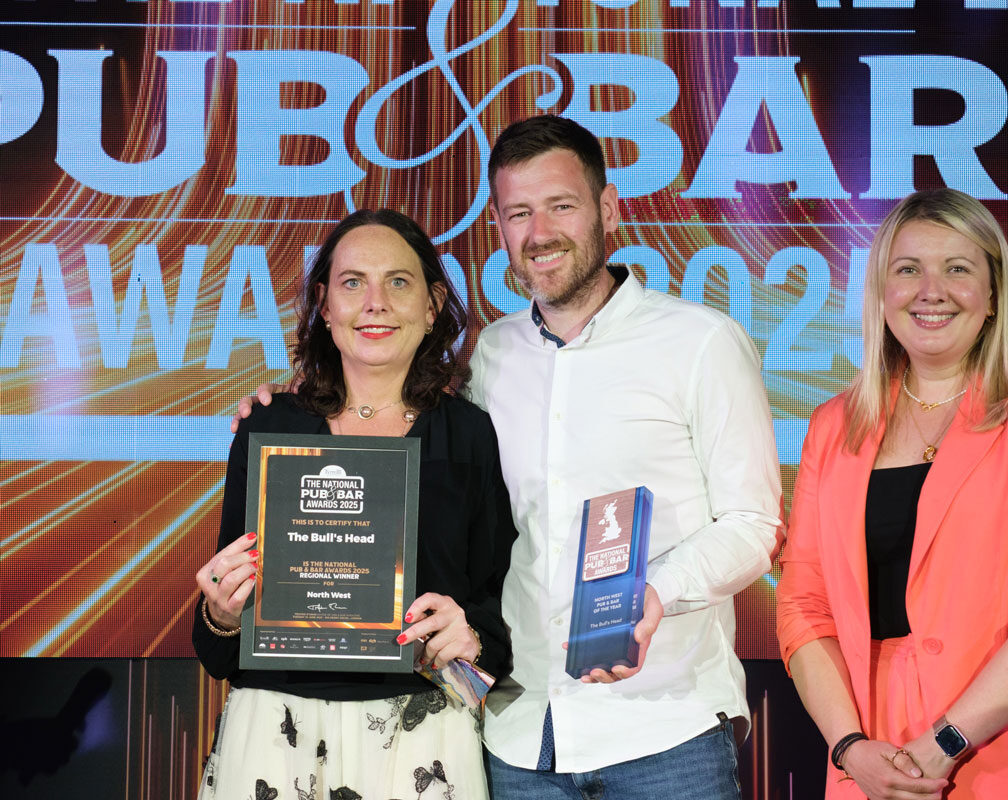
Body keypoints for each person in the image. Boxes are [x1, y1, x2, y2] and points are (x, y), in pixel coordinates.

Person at [776, 188, 1008, 799]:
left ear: (994, 295)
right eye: (907, 269)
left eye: (958, 269)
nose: (931, 290)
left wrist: (944, 740)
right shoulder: (835, 425)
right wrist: (849, 749)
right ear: (881, 292)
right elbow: (804, 605)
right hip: (875, 761)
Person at [470, 114, 782, 799]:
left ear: (608, 209)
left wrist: (654, 591)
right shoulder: (491, 354)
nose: (539, 233)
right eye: (519, 213)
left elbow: (753, 525)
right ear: (499, 225)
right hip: (522, 737)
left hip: (666, 731)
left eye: (561, 206)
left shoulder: (701, 342)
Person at [195, 209, 516, 799]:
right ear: (324, 304)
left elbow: (495, 613)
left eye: (398, 282)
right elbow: (218, 647)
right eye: (352, 282)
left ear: (432, 305)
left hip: (422, 736)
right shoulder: (270, 426)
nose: (375, 303)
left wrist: (471, 639)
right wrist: (222, 613)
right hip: (275, 733)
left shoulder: (469, 435)